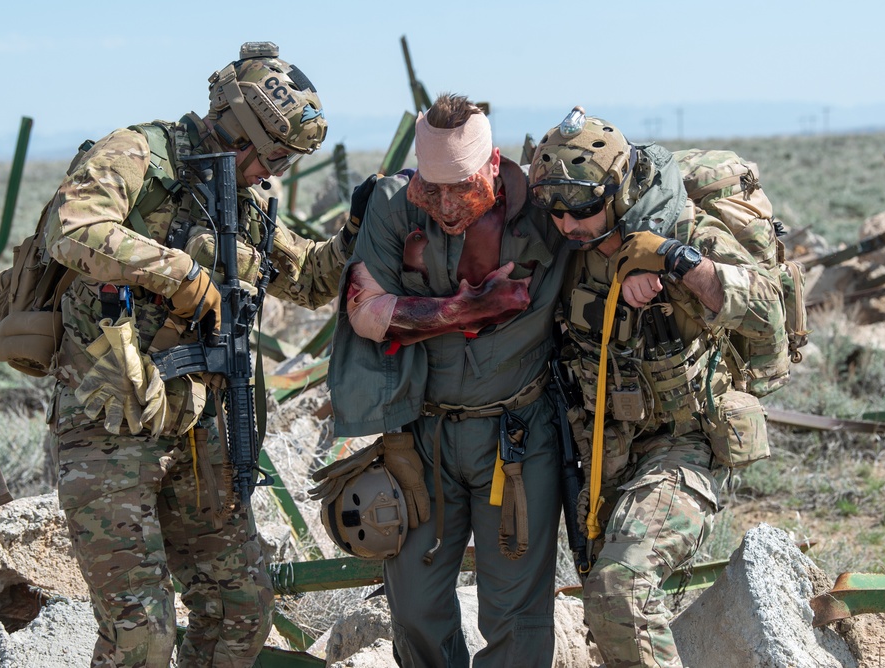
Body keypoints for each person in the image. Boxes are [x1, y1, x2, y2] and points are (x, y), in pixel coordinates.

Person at [43, 42, 357, 667]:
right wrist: (180, 273)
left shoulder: (245, 200)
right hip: (110, 428)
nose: (273, 174)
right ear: (241, 129)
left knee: (241, 607)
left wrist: (362, 231)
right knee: (142, 633)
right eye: (270, 156)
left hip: (196, 429)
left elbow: (313, 279)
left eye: (285, 163)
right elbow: (71, 228)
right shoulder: (137, 154)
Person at [527, 108, 786, 667]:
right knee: (609, 601)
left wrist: (677, 260)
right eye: (555, 210)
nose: (568, 224)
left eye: (584, 209)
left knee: (621, 587)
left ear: (617, 191)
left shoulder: (684, 231)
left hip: (684, 440)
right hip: (603, 450)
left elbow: (768, 315)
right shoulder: (565, 250)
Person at [319, 93, 571, 667]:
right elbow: (365, 311)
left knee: (515, 612)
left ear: (494, 164)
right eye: (431, 189)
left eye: (462, 187)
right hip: (423, 438)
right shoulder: (392, 205)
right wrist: (465, 310)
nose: (446, 205)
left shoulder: (546, 207)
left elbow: (637, 185)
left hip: (517, 437)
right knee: (414, 605)